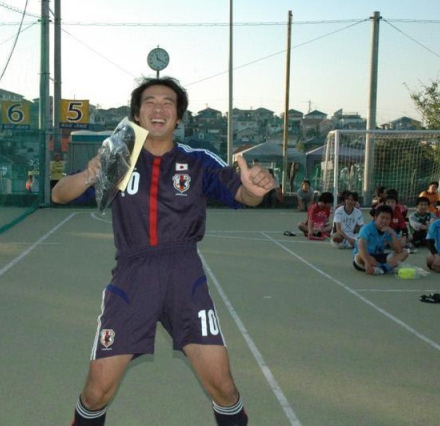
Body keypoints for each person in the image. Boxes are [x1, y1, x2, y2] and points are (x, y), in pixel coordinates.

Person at [53, 77, 274, 425]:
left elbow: (242, 195)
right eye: (150, 102)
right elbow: (59, 195)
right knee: (96, 393)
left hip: (184, 275)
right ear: (137, 114)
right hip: (132, 276)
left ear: (178, 116)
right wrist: (89, 175)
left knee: (223, 387)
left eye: (168, 103)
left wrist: (254, 191)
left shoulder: (198, 161)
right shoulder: (119, 160)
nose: (159, 108)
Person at [353, 204, 409, 275]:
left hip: (380, 257)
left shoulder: (389, 230)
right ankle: (385, 268)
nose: (384, 221)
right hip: (365, 257)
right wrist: (367, 262)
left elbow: (398, 250)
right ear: (375, 217)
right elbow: (361, 247)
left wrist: (392, 234)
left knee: (405, 252)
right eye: (382, 218)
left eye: (387, 219)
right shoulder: (366, 229)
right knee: (359, 256)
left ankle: (382, 269)